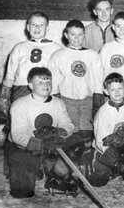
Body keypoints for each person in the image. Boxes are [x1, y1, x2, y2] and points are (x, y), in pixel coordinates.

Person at [0, 11, 62, 177]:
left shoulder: (56, 48)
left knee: (43, 128)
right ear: (27, 27)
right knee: (19, 130)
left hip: (46, 90)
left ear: (47, 27)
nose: (37, 28)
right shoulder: (19, 47)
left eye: (41, 25)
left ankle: (40, 165)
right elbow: (9, 76)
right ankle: (16, 167)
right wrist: (3, 96)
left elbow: (60, 76)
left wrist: (57, 96)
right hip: (22, 89)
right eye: (33, 24)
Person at [8, 67, 77, 198]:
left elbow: (68, 125)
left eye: (48, 82)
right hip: (25, 148)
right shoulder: (20, 104)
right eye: (40, 82)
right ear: (30, 85)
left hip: (51, 146)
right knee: (22, 192)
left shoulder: (58, 102)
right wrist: (41, 144)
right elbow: (18, 134)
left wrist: (59, 132)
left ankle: (55, 177)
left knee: (77, 143)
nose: (46, 85)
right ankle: (36, 167)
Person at [48, 20, 104, 174]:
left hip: (87, 100)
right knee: (69, 135)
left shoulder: (93, 55)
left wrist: (97, 103)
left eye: (80, 35)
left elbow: (98, 80)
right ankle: (66, 169)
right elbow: (54, 83)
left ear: (84, 36)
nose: (77, 38)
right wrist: (56, 104)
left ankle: (84, 166)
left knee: (86, 133)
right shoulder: (58, 55)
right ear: (66, 35)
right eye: (73, 34)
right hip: (67, 100)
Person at [88, 73, 124, 196]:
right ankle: (114, 169)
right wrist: (115, 159)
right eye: (112, 89)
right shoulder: (103, 113)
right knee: (98, 180)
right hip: (106, 147)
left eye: (120, 88)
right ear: (106, 91)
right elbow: (100, 142)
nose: (117, 92)